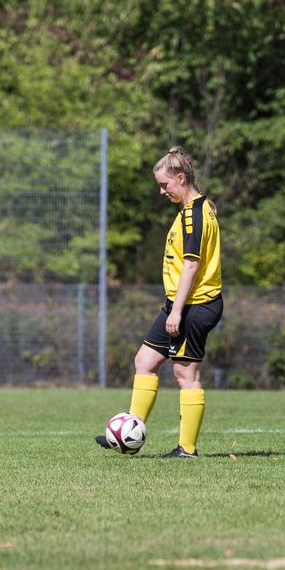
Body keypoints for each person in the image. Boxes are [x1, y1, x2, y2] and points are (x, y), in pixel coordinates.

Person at [96, 147, 223, 458]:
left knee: (186, 376)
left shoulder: (194, 215)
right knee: (145, 361)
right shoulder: (193, 208)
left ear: (181, 178)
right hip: (179, 304)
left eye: (165, 185)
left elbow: (192, 266)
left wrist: (177, 311)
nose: (161, 191)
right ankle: (128, 433)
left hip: (194, 306)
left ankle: (187, 449)